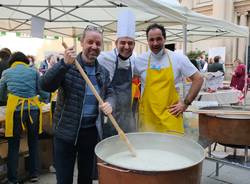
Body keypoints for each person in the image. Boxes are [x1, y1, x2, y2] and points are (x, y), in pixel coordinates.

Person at [40, 25, 115, 184]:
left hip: (90, 133)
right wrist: (63, 64)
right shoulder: (68, 65)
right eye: (90, 42)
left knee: (86, 178)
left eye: (98, 43)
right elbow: (45, 85)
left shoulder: (102, 71)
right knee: (64, 179)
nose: (94, 47)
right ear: (82, 42)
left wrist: (110, 102)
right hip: (65, 132)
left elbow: (110, 92)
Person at [135, 23, 203, 134]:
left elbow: (198, 79)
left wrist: (185, 103)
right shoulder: (140, 60)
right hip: (148, 119)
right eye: (151, 40)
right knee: (148, 149)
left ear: (165, 39)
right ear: (147, 41)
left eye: (158, 39)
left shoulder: (178, 58)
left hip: (171, 116)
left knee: (172, 149)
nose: (155, 43)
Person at [0, 52, 49, 184]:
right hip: (33, 110)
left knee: (13, 143)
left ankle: (12, 179)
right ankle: (34, 174)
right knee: (33, 142)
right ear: (25, 61)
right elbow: (42, 90)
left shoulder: (7, 72)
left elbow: (1, 93)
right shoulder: (33, 72)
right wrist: (44, 99)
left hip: (15, 110)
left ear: (12, 61)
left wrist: (7, 99)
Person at [98, 9, 136, 138]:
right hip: (109, 117)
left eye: (130, 43)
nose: (126, 46)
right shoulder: (103, 58)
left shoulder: (134, 61)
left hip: (127, 118)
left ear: (134, 45)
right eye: (123, 42)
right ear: (116, 43)